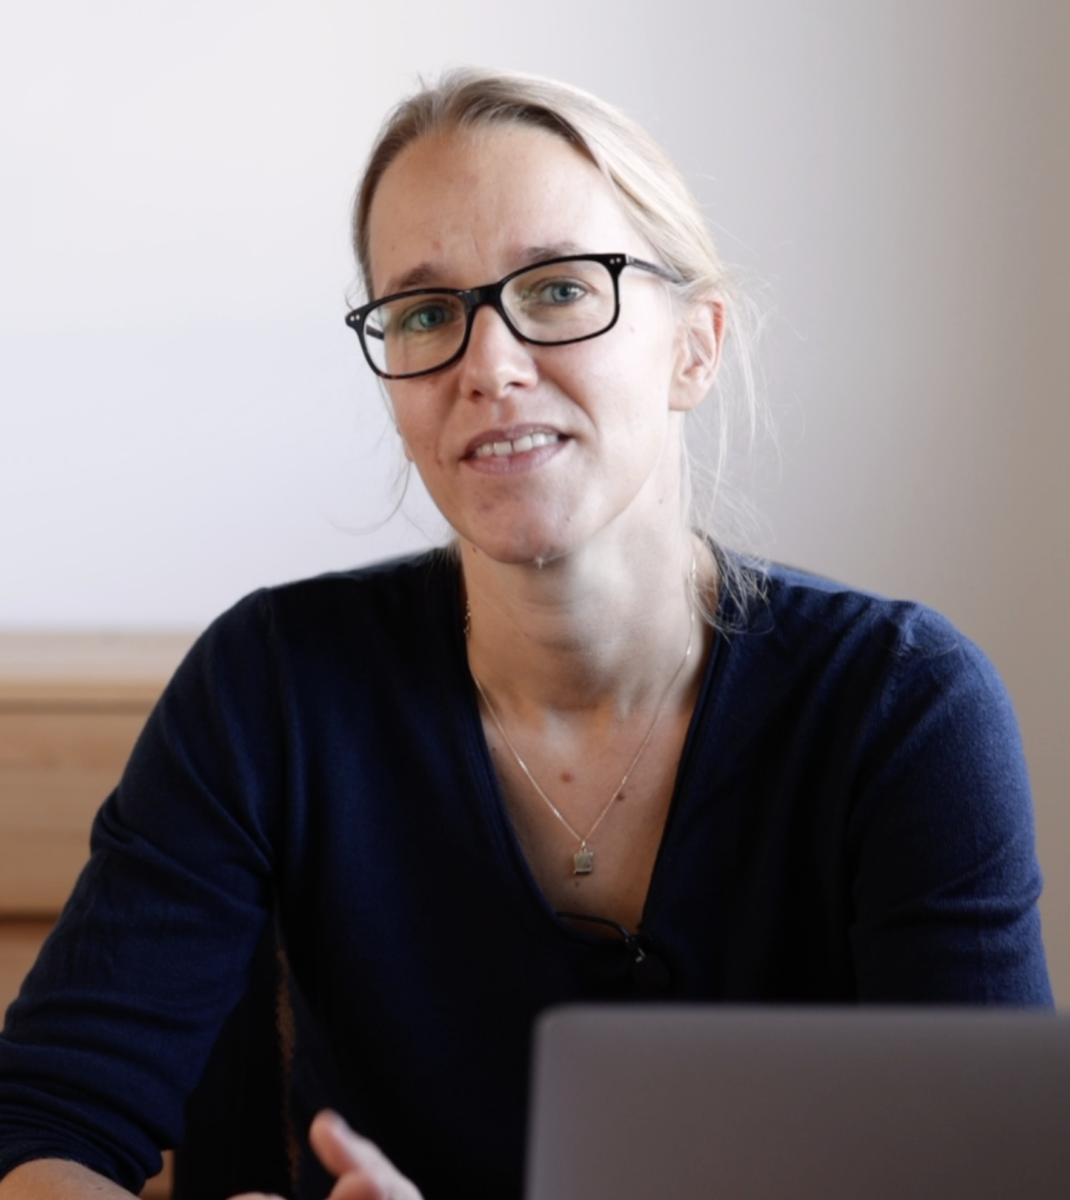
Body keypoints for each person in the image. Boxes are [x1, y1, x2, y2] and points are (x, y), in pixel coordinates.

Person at [0, 68, 1052, 1200]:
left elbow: (987, 1174)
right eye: (424, 312)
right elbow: (42, 1123)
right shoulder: (268, 688)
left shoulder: (900, 707)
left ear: (693, 347)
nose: (486, 366)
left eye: (556, 290)